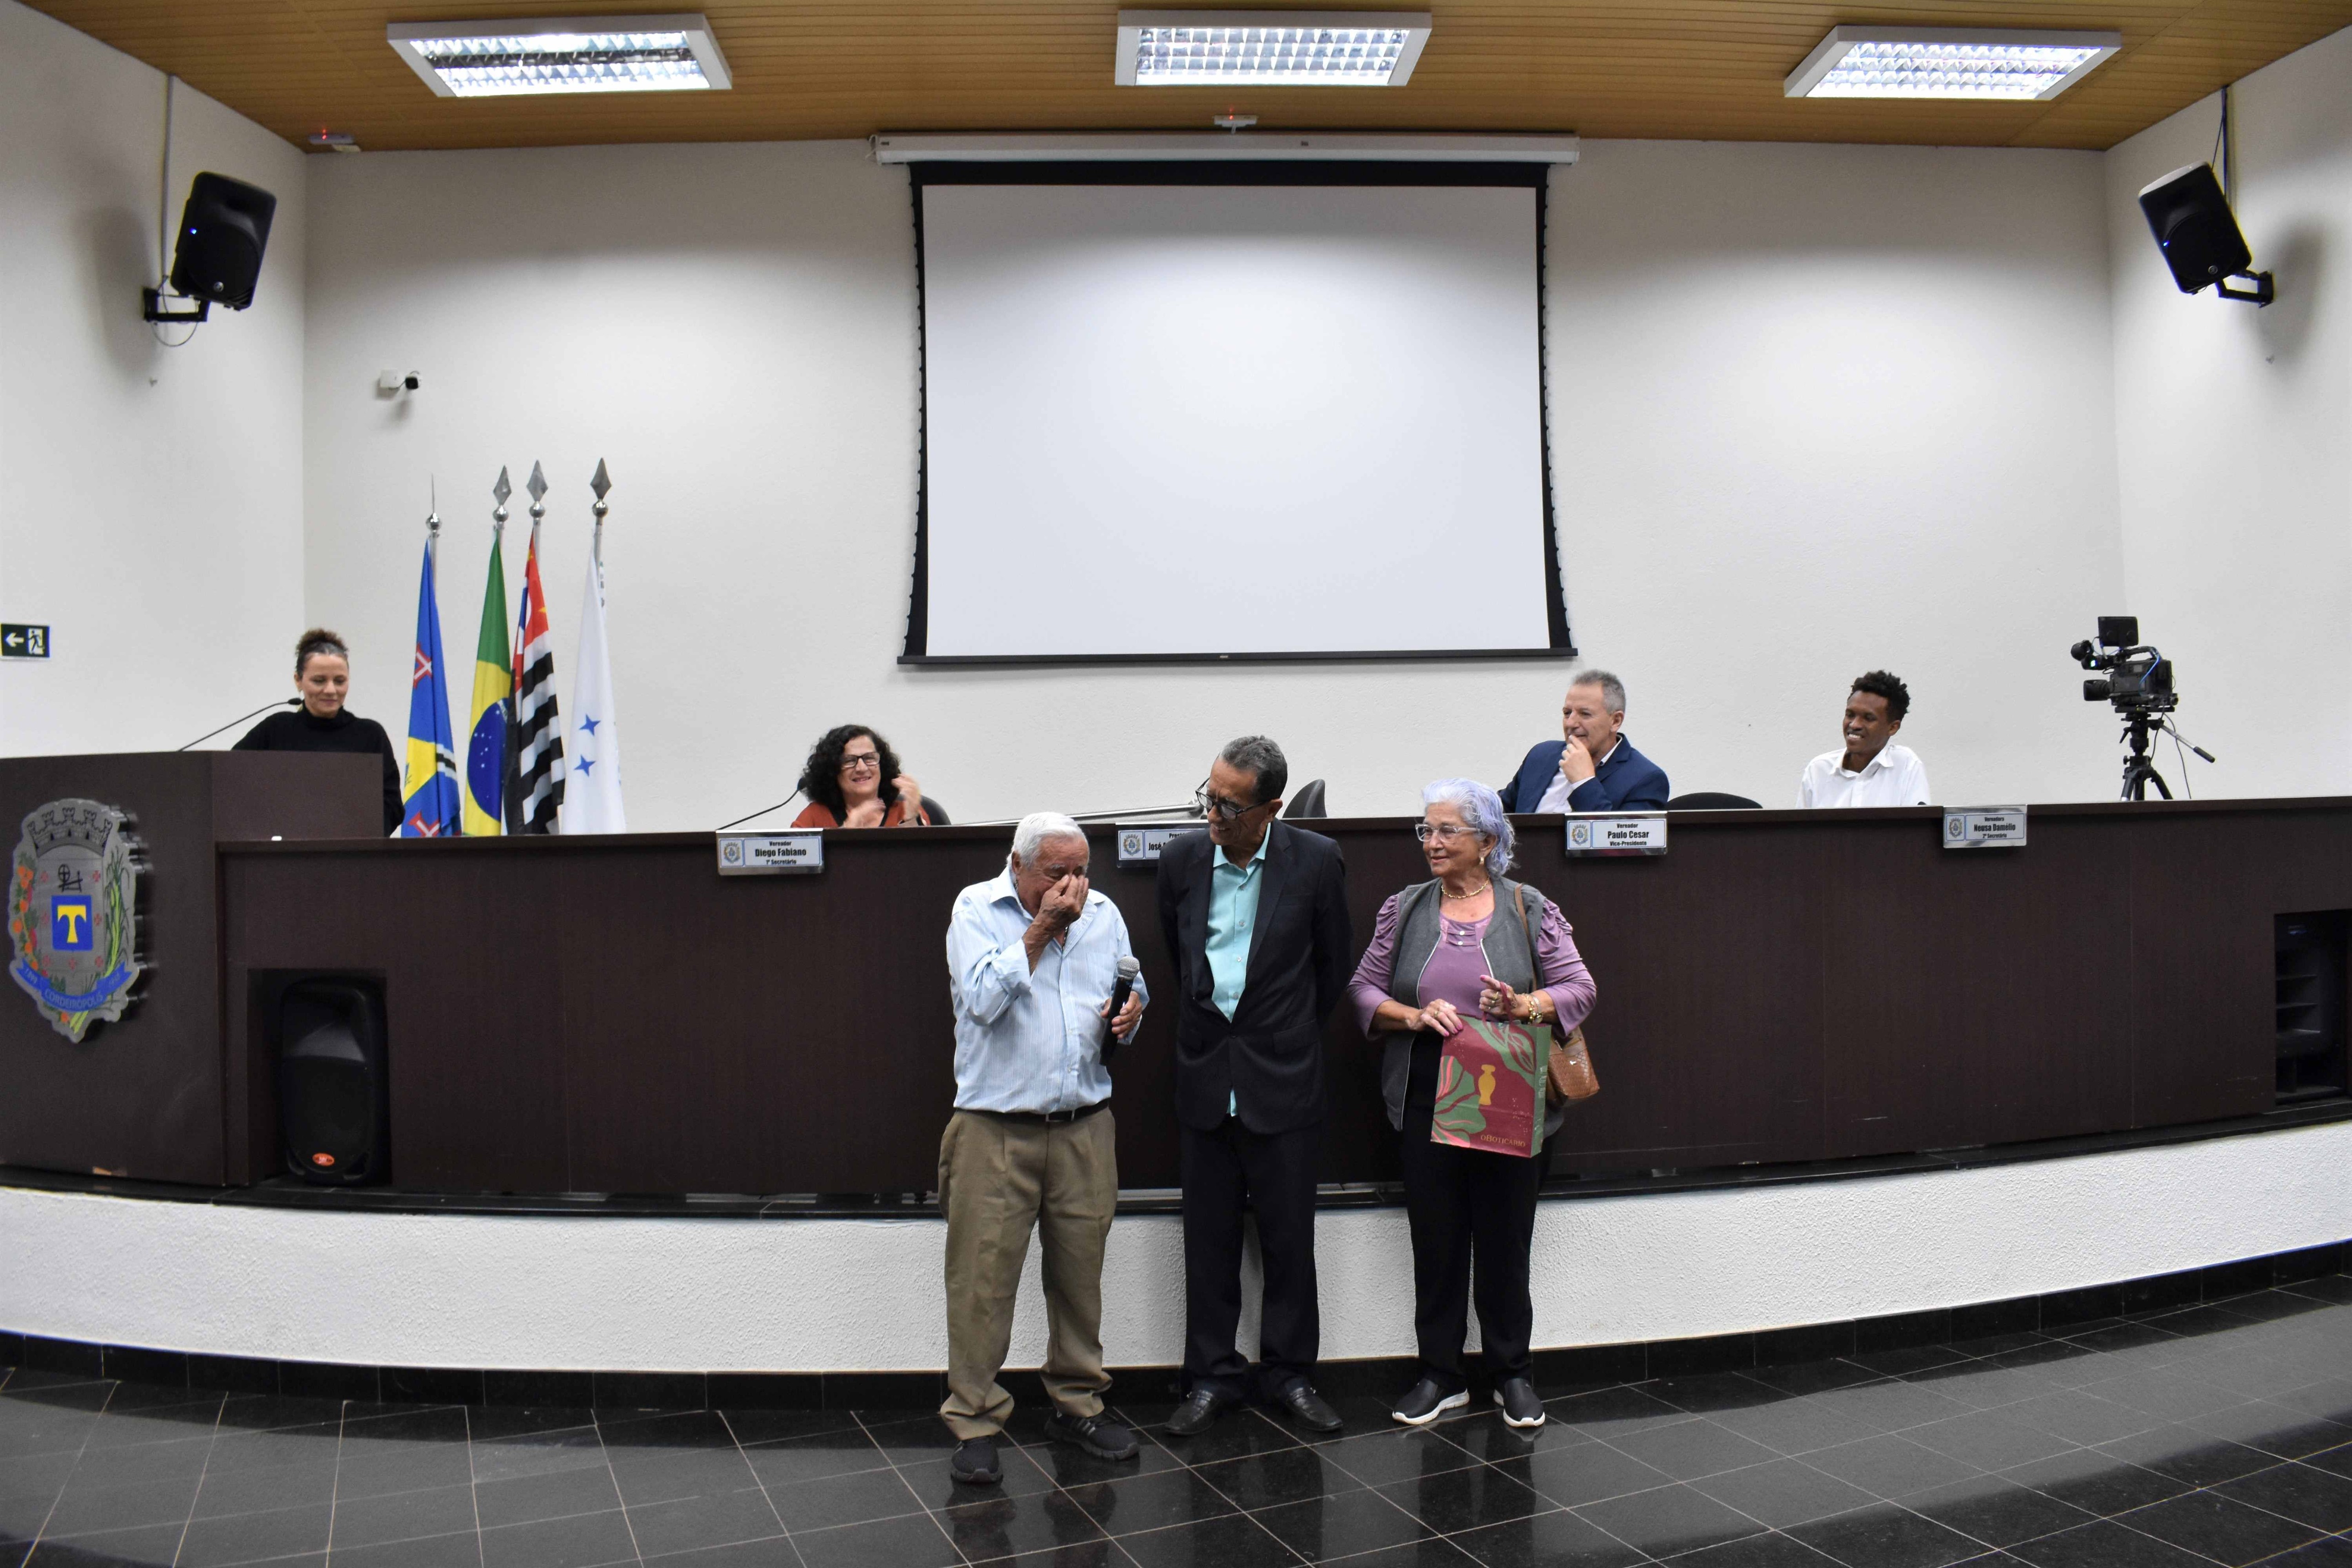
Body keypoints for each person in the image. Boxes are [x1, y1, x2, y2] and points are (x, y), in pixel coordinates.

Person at [1349, 780, 1595, 1430]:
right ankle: (1441, 1375)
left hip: (1509, 1089)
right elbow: (1364, 990)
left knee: (1506, 1241)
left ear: (1486, 841)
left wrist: (1524, 1005)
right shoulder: (1405, 908)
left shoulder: (1527, 906)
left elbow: (1579, 988)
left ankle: (1512, 1374)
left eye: (1445, 831)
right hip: (1426, 1093)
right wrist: (1411, 1015)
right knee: (1437, 1242)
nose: (1431, 843)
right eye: (1425, 830)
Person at [1154, 736, 1353, 1437]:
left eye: (1230, 806)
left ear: (1271, 808)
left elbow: (1332, 967)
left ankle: (1290, 1374)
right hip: (1206, 1075)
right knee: (1207, 1243)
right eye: (1208, 797)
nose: (1213, 814)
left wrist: (1280, 1032)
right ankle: (1211, 1377)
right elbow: (1178, 959)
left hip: (1284, 1078)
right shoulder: (1181, 860)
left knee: (1289, 1242)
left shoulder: (1317, 861)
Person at [940, 811, 1146, 1484]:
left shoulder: (1104, 913)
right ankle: (975, 1421)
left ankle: (1077, 1404)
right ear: (1018, 865)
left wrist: (1133, 1010)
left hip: (1085, 1123)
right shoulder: (977, 909)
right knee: (982, 1284)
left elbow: (1132, 984)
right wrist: (1040, 931)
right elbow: (981, 1001)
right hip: (995, 1130)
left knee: (1080, 1277)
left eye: (1082, 870)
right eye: (1057, 873)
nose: (1073, 887)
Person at [233, 628, 403, 835]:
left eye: (340, 681)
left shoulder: (370, 735)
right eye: (319, 681)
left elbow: (392, 805)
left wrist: (359, 834)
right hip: (284, 850)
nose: (331, 690)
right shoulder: (275, 729)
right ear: (298, 680)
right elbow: (232, 783)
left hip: (354, 850)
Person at [1499, 671, 1669, 814]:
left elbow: (1619, 839)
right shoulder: (1542, 756)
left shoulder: (1646, 780)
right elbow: (1499, 813)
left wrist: (1584, 782)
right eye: (1567, 713)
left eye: (1585, 714)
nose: (1571, 723)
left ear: (1616, 721)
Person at [1801, 671, 1931, 808]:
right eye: (1850, 715)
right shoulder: (1818, 770)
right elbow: (1801, 822)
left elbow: (1918, 821)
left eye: (1869, 718)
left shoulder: (1906, 766)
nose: (1854, 725)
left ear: (1893, 728)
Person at [791, 725, 929, 827]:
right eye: (849, 761)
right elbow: (795, 856)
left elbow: (925, 856)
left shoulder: (904, 811)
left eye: (870, 758)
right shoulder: (815, 816)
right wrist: (847, 830)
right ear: (832, 770)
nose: (862, 768)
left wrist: (912, 819)